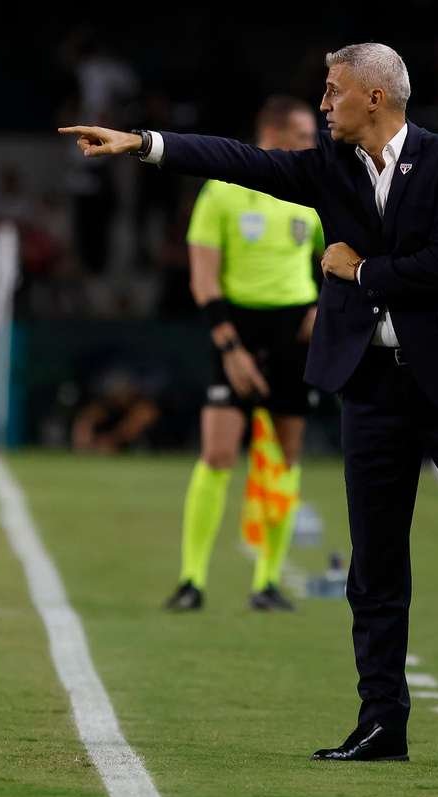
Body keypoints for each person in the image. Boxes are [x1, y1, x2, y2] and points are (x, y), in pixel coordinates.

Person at [59, 41, 438, 763]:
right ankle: (381, 723)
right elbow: (242, 161)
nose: (323, 104)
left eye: (334, 91)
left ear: (375, 97)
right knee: (375, 565)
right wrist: (144, 143)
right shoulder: (330, 165)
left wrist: (360, 272)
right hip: (372, 386)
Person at [161, 95, 323, 614]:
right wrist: (230, 348)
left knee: (286, 455)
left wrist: (326, 307)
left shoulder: (314, 191)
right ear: (274, 135)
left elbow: (343, 254)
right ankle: (191, 580)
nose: (314, 144)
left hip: (294, 331)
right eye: (304, 135)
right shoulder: (223, 191)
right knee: (218, 454)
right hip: (238, 327)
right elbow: (203, 280)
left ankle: (267, 582)